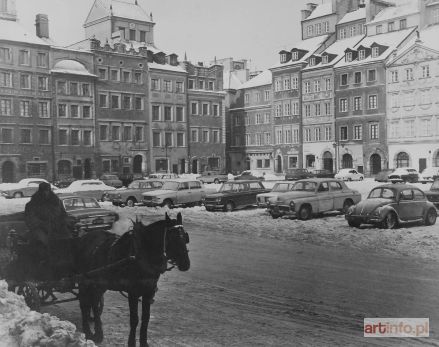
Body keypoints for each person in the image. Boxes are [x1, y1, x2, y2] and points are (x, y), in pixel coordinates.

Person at [24, 182, 75, 278]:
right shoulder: (32, 204)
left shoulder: (56, 202)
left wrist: (64, 222)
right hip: (39, 229)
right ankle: (47, 263)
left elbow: (63, 214)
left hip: (57, 228)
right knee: (46, 241)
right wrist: (43, 224)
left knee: (68, 238)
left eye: (47, 191)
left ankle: (67, 262)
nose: (46, 193)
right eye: (44, 191)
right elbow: (31, 219)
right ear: (40, 191)